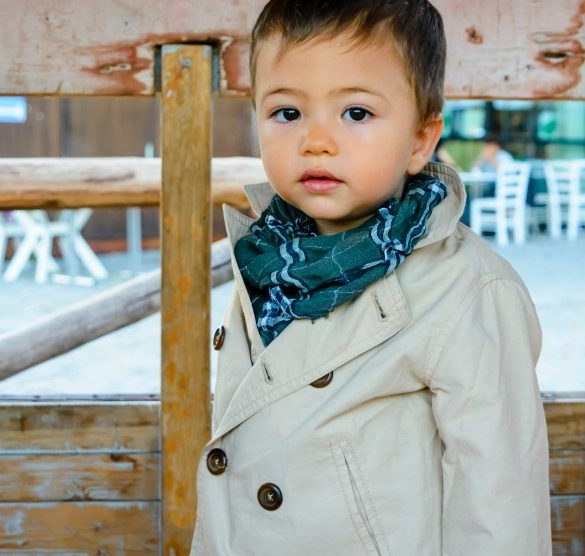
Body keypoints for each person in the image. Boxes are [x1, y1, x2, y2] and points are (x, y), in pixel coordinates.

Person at [192, 1, 549, 554]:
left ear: (419, 140)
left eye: (355, 113)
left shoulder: (468, 291)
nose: (316, 140)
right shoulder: (265, 255)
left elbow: (500, 506)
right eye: (287, 113)